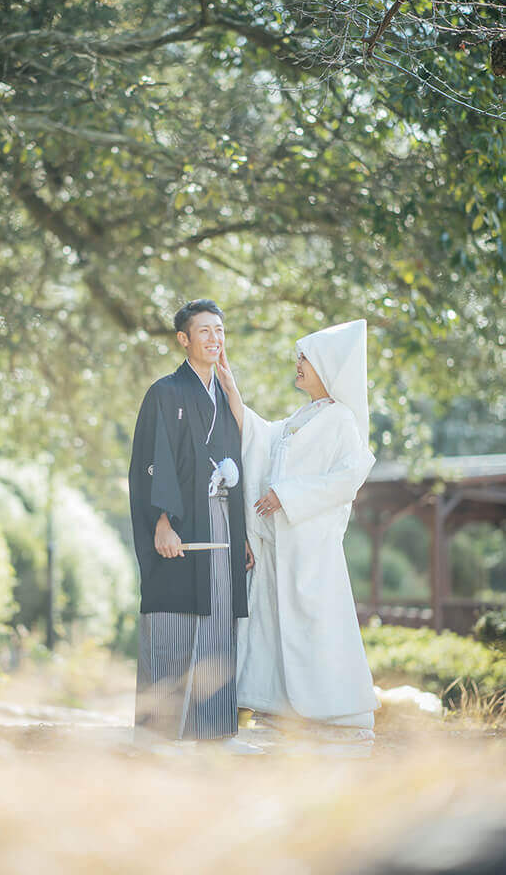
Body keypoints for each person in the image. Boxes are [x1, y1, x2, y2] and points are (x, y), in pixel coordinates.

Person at [216, 319, 380, 740]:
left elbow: (350, 475)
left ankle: (332, 707)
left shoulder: (342, 420)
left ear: (327, 365)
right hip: (279, 544)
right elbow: (260, 438)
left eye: (305, 357)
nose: (298, 363)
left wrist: (285, 496)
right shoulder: (303, 416)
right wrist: (231, 386)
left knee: (316, 622)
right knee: (274, 620)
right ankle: (283, 705)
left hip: (311, 546)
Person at [128, 299, 260, 752]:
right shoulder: (165, 392)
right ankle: (157, 730)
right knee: (171, 617)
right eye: (204, 331)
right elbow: (153, 460)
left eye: (219, 330)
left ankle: (214, 730)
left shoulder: (224, 393)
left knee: (219, 614)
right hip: (181, 517)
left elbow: (244, 451)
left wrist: (240, 533)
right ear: (183, 339)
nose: (214, 339)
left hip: (221, 518)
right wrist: (162, 523)